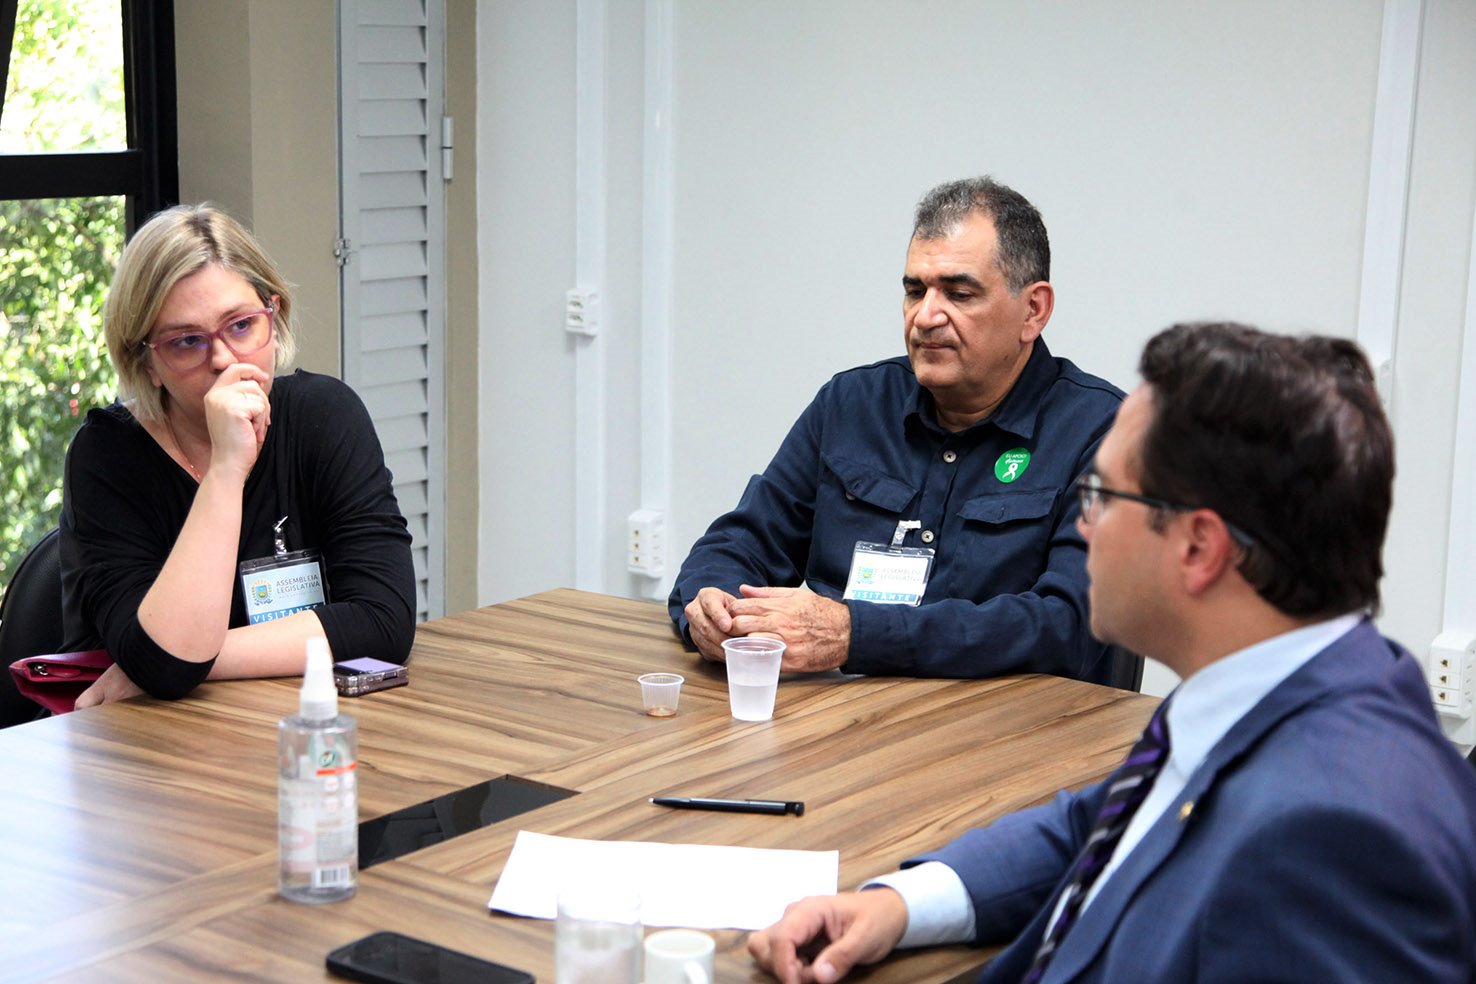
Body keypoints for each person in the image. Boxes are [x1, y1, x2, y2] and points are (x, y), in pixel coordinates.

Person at [748, 322, 1476, 983]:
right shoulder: (1270, 684)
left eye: (1101, 494)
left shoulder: (1329, 833)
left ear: (1199, 548)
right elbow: (1093, 827)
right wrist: (899, 904)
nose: (1083, 525)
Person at [669, 177, 1123, 681]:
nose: (925, 317)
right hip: (847, 715)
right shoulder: (851, 404)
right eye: (914, 291)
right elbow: (740, 543)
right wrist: (713, 607)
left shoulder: (1105, 434)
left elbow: (1071, 627)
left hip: (1016, 724)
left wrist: (854, 635)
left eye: (959, 293)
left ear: (1033, 310)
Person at [30, 203, 415, 715]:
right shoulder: (107, 455)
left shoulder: (325, 417)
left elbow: (383, 623)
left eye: (241, 325)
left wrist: (173, 663)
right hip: (135, 737)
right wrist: (227, 469)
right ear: (147, 362)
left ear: (274, 316)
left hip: (284, 720)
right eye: (187, 341)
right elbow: (166, 663)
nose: (223, 359)